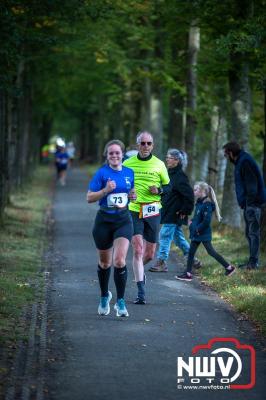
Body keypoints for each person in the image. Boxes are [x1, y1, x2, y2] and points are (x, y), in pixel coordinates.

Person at [87, 139, 136, 317]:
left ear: (122, 154)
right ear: (107, 156)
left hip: (123, 220)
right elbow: (89, 198)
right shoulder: (101, 174)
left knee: (119, 261)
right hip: (104, 221)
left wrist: (133, 196)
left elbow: (130, 194)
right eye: (111, 153)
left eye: (117, 153)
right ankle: (104, 295)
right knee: (105, 263)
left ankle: (120, 302)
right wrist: (105, 191)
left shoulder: (130, 173)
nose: (114, 156)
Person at [123, 131, 170, 304]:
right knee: (138, 250)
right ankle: (141, 292)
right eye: (142, 143)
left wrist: (159, 191)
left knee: (150, 254)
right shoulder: (127, 163)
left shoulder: (159, 164)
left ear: (153, 145)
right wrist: (128, 193)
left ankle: (139, 270)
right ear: (137, 145)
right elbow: (120, 185)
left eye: (148, 143)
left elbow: (168, 187)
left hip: (152, 210)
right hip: (134, 210)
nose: (145, 146)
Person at [149, 149, 201, 272]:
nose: (167, 159)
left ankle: (161, 262)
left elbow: (189, 196)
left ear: (177, 161)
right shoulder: (169, 174)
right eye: (167, 157)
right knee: (178, 238)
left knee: (164, 235)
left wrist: (185, 211)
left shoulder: (180, 176)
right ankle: (193, 259)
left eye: (170, 157)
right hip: (168, 211)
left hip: (175, 212)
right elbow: (168, 191)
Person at [176, 181, 235, 281]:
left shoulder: (207, 204)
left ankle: (229, 267)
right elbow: (198, 217)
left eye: (196, 190)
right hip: (196, 233)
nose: (194, 191)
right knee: (191, 252)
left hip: (202, 233)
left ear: (202, 191)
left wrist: (198, 229)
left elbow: (206, 221)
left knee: (211, 251)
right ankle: (188, 274)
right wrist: (192, 222)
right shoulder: (199, 203)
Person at [223, 141, 266, 269]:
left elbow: (252, 185)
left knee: (253, 233)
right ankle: (252, 261)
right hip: (249, 204)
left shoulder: (245, 161)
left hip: (253, 204)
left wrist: (249, 204)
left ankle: (253, 263)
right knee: (249, 233)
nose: (226, 158)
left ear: (230, 153)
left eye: (226, 155)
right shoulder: (241, 161)